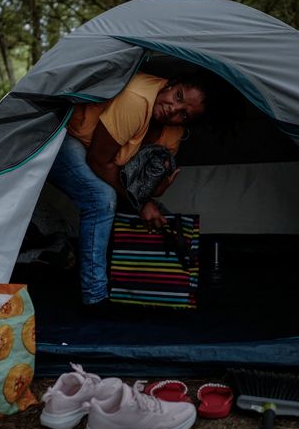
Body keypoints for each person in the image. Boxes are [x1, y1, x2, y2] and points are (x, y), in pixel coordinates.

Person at [47, 69, 218, 309]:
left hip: (100, 158)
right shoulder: (138, 98)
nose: (173, 110)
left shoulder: (173, 133)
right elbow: (99, 160)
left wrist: (156, 191)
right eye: (178, 96)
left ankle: (141, 287)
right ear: (172, 83)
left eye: (184, 114)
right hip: (66, 136)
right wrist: (141, 203)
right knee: (102, 199)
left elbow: (142, 184)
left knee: (154, 212)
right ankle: (95, 298)